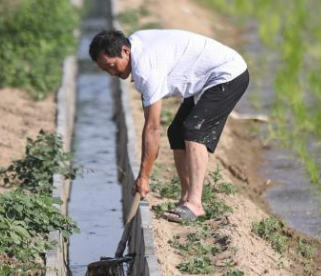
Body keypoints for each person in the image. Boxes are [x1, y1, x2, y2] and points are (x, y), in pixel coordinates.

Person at [89, 29, 249, 223]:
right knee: (176, 132)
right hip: (205, 78)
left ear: (125, 51)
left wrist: (144, 177)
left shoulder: (146, 69)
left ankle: (195, 204)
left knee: (193, 130)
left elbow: (152, 129)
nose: (112, 73)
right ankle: (185, 198)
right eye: (106, 70)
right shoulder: (136, 48)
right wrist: (143, 174)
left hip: (228, 74)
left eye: (112, 66)